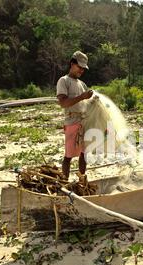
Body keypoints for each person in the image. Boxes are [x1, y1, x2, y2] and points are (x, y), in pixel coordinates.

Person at [56, 51, 94, 180]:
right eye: (79, 67)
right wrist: (82, 97)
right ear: (72, 64)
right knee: (69, 155)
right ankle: (64, 181)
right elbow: (63, 103)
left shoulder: (82, 84)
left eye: (83, 68)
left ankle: (82, 179)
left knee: (84, 153)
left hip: (83, 122)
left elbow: (86, 103)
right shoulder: (64, 81)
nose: (81, 70)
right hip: (72, 121)